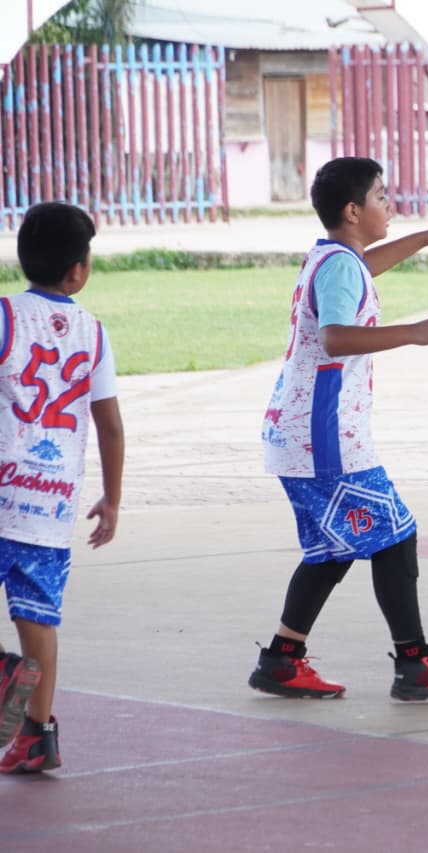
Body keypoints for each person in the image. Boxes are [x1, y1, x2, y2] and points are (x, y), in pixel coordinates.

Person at [250, 156, 428, 702]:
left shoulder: (337, 256)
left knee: (332, 549)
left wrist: (426, 238)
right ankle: (415, 664)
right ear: (354, 211)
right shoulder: (338, 267)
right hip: (323, 437)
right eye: (382, 197)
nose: (390, 205)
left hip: (304, 433)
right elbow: (334, 337)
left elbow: (366, 266)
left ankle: (282, 660)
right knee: (396, 535)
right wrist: (413, 331)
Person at [0, 202, 124, 773]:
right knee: (39, 618)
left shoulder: (5, 316)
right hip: (49, 506)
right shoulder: (92, 332)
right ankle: (37, 736)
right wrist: (112, 496)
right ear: (78, 270)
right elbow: (109, 423)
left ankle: (6, 678)